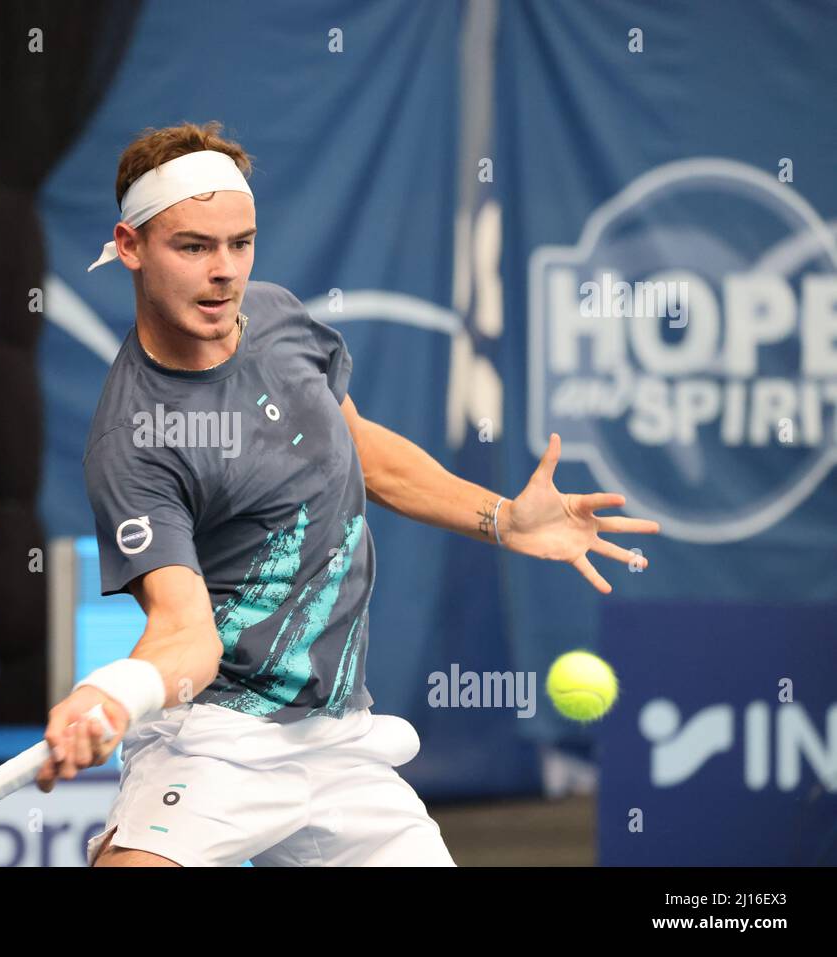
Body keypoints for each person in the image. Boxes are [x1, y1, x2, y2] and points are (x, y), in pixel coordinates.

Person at [35, 121, 660, 866]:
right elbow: (184, 630)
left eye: (241, 242)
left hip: (340, 740)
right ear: (131, 246)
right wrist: (118, 691)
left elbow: (360, 451)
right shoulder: (135, 441)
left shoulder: (274, 316)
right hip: (216, 741)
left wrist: (502, 520)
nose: (224, 271)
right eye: (194, 246)